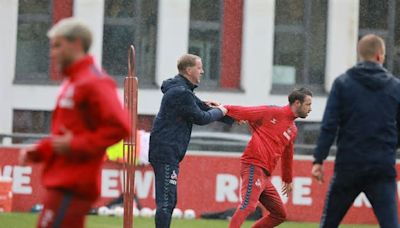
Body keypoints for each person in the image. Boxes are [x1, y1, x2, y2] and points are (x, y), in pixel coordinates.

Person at [19, 18, 130, 228]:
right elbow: (66, 134)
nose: (52, 53)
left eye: (57, 46)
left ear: (76, 44)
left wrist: (76, 144)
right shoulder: (73, 81)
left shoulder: (94, 81)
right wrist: (40, 151)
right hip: (64, 181)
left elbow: (121, 126)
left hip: (73, 183)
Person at [312, 34, 400, 228]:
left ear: (360, 55)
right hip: (381, 167)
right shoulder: (395, 87)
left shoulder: (343, 83)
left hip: (348, 166)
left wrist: (319, 159)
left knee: (329, 223)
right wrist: (391, 147)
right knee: (391, 224)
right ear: (380, 56)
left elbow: (330, 124)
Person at [149, 54, 232, 228]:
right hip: (166, 151)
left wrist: (233, 116)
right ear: (189, 70)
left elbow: (202, 106)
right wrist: (222, 111)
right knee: (166, 201)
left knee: (169, 201)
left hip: (167, 151)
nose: (202, 71)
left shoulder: (182, 90)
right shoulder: (181, 92)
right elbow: (201, 117)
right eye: (199, 68)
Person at [227, 88, 313, 228]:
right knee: (248, 206)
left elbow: (287, 154)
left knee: (280, 214)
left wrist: (287, 179)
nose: (310, 109)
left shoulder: (293, 128)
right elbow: (245, 112)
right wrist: (222, 108)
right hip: (253, 166)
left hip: (265, 175)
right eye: (308, 104)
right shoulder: (273, 112)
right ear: (297, 103)